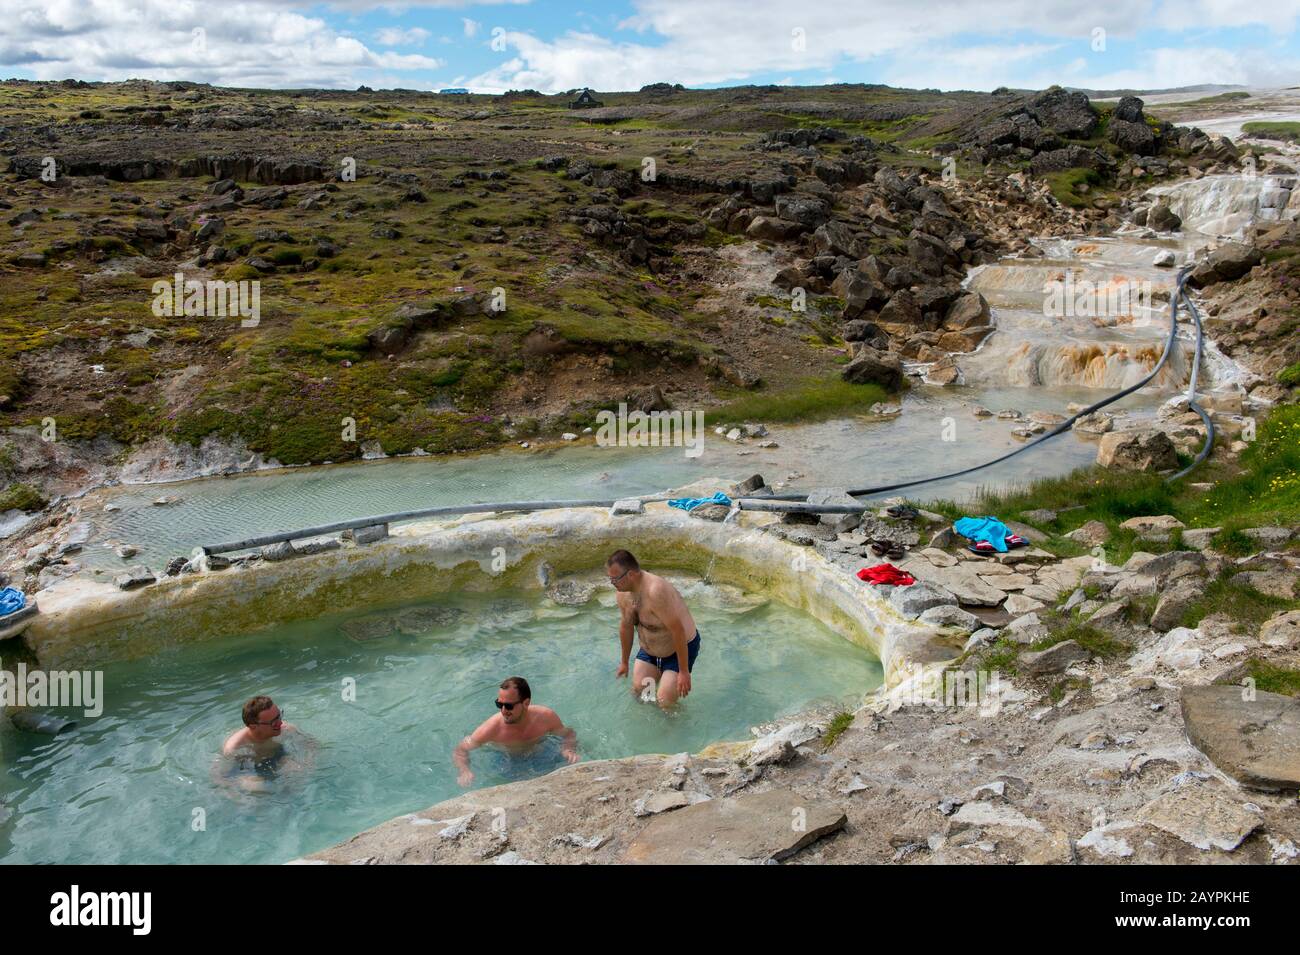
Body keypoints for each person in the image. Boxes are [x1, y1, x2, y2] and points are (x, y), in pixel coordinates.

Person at [606, 549, 701, 707]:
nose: (612, 584)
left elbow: (678, 630)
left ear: (630, 575)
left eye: (615, 579)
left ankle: (673, 728)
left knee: (665, 703)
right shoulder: (622, 594)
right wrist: (624, 662)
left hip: (678, 651)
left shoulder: (655, 592)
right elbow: (626, 626)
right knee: (641, 693)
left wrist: (684, 672)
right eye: (610, 579)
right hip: (650, 652)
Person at [453, 677, 579, 787]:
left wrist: (568, 749)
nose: (503, 711)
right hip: (506, 761)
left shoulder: (545, 717)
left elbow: (568, 733)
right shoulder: (491, 728)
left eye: (509, 706)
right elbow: (461, 749)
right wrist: (464, 771)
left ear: (526, 703)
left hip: (540, 752)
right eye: (499, 704)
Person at [217, 695, 314, 792]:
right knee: (256, 788)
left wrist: (308, 763)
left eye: (279, 716)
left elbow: (311, 744)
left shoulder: (285, 729)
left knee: (295, 772)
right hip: (248, 769)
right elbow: (220, 776)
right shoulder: (234, 747)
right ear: (253, 726)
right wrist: (235, 795)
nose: (280, 723)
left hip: (277, 757)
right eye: (274, 722)